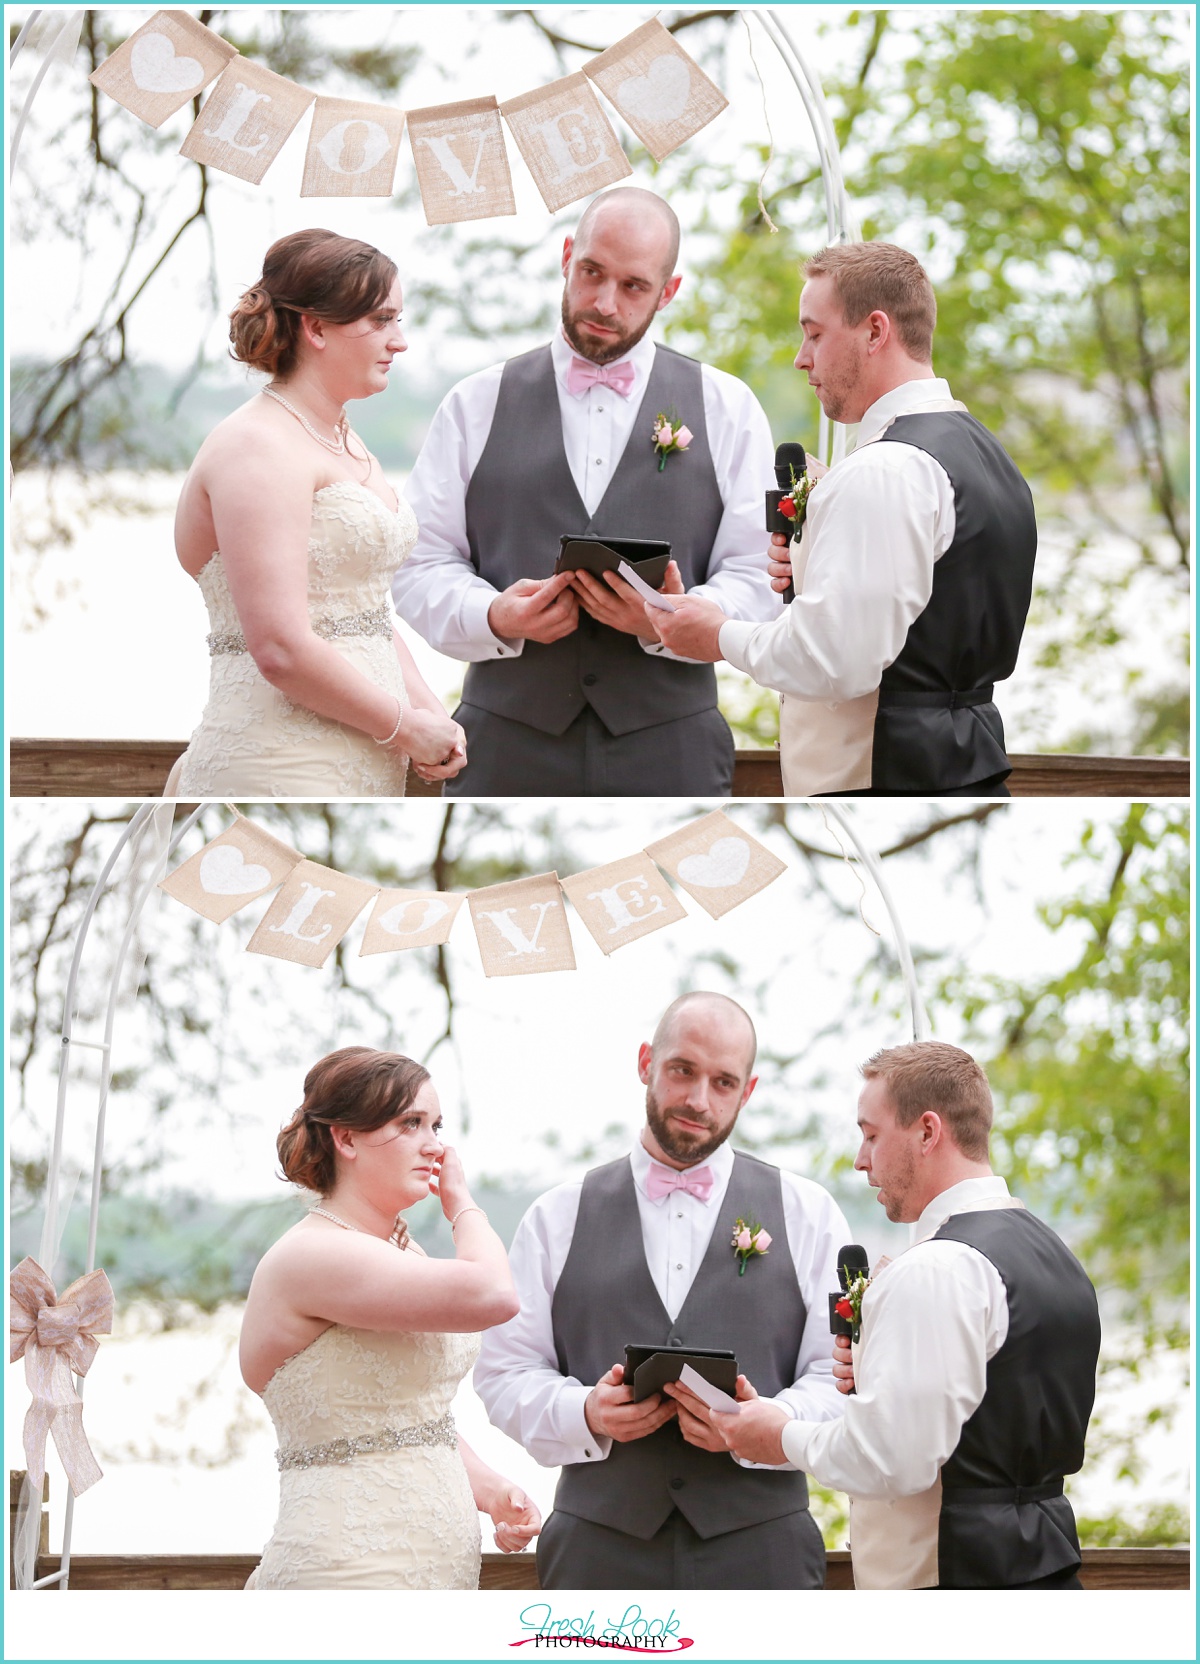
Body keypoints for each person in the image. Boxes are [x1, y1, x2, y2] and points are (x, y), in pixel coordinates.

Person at [394, 187, 780, 797]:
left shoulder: (726, 407)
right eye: (592, 272)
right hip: (503, 746)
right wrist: (493, 614)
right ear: (568, 255)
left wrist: (670, 622)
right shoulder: (476, 403)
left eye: (633, 286)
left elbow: (762, 575)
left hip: (672, 748)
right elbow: (417, 564)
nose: (604, 302)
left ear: (668, 292)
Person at [474, 993, 850, 1590]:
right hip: (596, 1553)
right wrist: (585, 1413)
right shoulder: (557, 1215)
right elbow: (502, 1370)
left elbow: (839, 1376)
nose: (699, 1100)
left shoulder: (808, 1214)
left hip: (763, 1552)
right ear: (646, 1062)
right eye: (683, 1070)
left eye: (724, 1082)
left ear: (747, 1093)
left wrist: (772, 1422)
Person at [652, 243, 1038, 798]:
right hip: (961, 767)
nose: (800, 357)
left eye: (814, 333)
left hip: (882, 783)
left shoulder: (885, 469)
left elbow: (830, 660)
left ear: (875, 332)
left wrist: (717, 635)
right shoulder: (988, 457)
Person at [712, 1042, 1101, 1590]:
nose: (859, 1158)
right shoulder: (1054, 1255)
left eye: (871, 1134)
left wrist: (780, 1437)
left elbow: (891, 1460)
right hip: (1041, 1571)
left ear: (926, 1131)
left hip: (953, 1590)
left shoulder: (937, 1269)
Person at [171, 230, 468, 798]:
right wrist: (405, 728)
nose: (399, 341)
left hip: (367, 765)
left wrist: (435, 717)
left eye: (397, 320)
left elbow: (363, 615)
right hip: (280, 768)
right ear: (316, 327)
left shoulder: (343, 441)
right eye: (380, 321)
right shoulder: (257, 445)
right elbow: (280, 648)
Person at [240, 1046, 540, 1589]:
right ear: (346, 1138)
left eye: (436, 1124)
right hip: (349, 1572)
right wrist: (462, 1205)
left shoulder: (401, 1255)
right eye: (411, 1123)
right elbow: (494, 1293)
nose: (436, 1146)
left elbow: (405, 1419)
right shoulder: (316, 1254)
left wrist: (490, 1489)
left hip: (435, 1573)